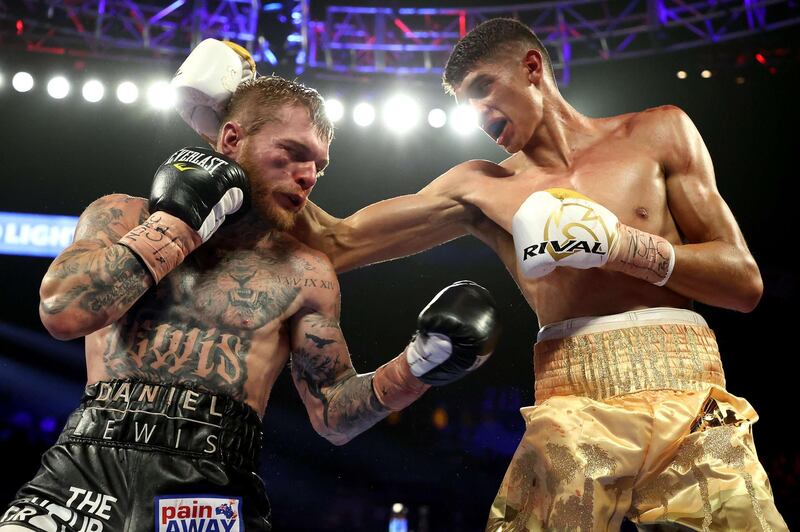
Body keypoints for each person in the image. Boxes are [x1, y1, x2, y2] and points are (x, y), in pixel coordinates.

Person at [290, 18, 788, 531]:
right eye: (466, 105)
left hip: (692, 399)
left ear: (532, 68)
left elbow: (744, 284)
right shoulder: (483, 187)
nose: (479, 114)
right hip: (573, 405)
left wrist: (626, 247)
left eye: (484, 89)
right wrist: (249, 143)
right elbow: (336, 242)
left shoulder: (658, 133)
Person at [0, 51, 502, 532]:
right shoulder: (123, 215)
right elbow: (63, 313)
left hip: (210, 487)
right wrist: (178, 222)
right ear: (232, 139)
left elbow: (332, 414)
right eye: (293, 154)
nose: (307, 175)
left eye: (319, 166)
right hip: (85, 468)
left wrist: (417, 367)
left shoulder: (305, 272)